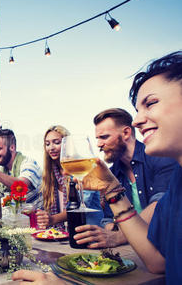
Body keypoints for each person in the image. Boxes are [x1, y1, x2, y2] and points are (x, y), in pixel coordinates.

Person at [13, 51, 182, 284]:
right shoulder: (174, 184)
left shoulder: (166, 163)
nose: (137, 120)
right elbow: (157, 261)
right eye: (137, 110)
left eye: (151, 103)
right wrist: (112, 189)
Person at [74, 108, 177, 249]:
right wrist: (110, 231)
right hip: (134, 249)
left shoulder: (160, 156)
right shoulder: (111, 173)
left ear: (126, 133)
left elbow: (162, 205)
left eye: (104, 137)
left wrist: (120, 235)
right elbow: (109, 219)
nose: (98, 144)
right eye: (97, 138)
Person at [36, 125, 102, 230]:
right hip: (64, 235)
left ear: (68, 145)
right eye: (47, 144)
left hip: (91, 231)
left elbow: (81, 205)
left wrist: (52, 219)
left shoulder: (82, 167)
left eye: (57, 142)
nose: (51, 147)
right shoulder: (50, 174)